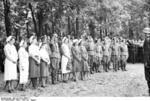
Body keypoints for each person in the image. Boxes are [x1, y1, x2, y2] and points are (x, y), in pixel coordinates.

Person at [143, 27, 150, 96]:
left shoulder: (147, 40)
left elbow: (146, 52)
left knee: (148, 76)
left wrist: (146, 62)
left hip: (148, 61)